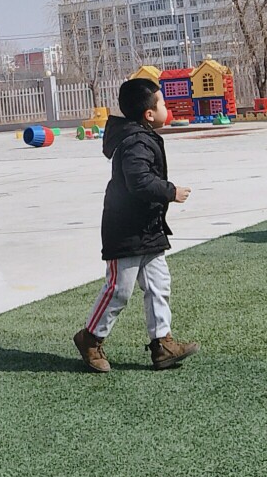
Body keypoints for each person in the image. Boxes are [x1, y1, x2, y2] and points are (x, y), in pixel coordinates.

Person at [73, 78, 199, 372]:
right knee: (119, 289)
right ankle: (90, 338)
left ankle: (162, 343)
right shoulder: (135, 142)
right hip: (126, 230)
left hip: (148, 228)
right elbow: (139, 181)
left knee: (158, 285)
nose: (167, 108)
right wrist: (171, 192)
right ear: (149, 114)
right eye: (163, 103)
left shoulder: (142, 137)